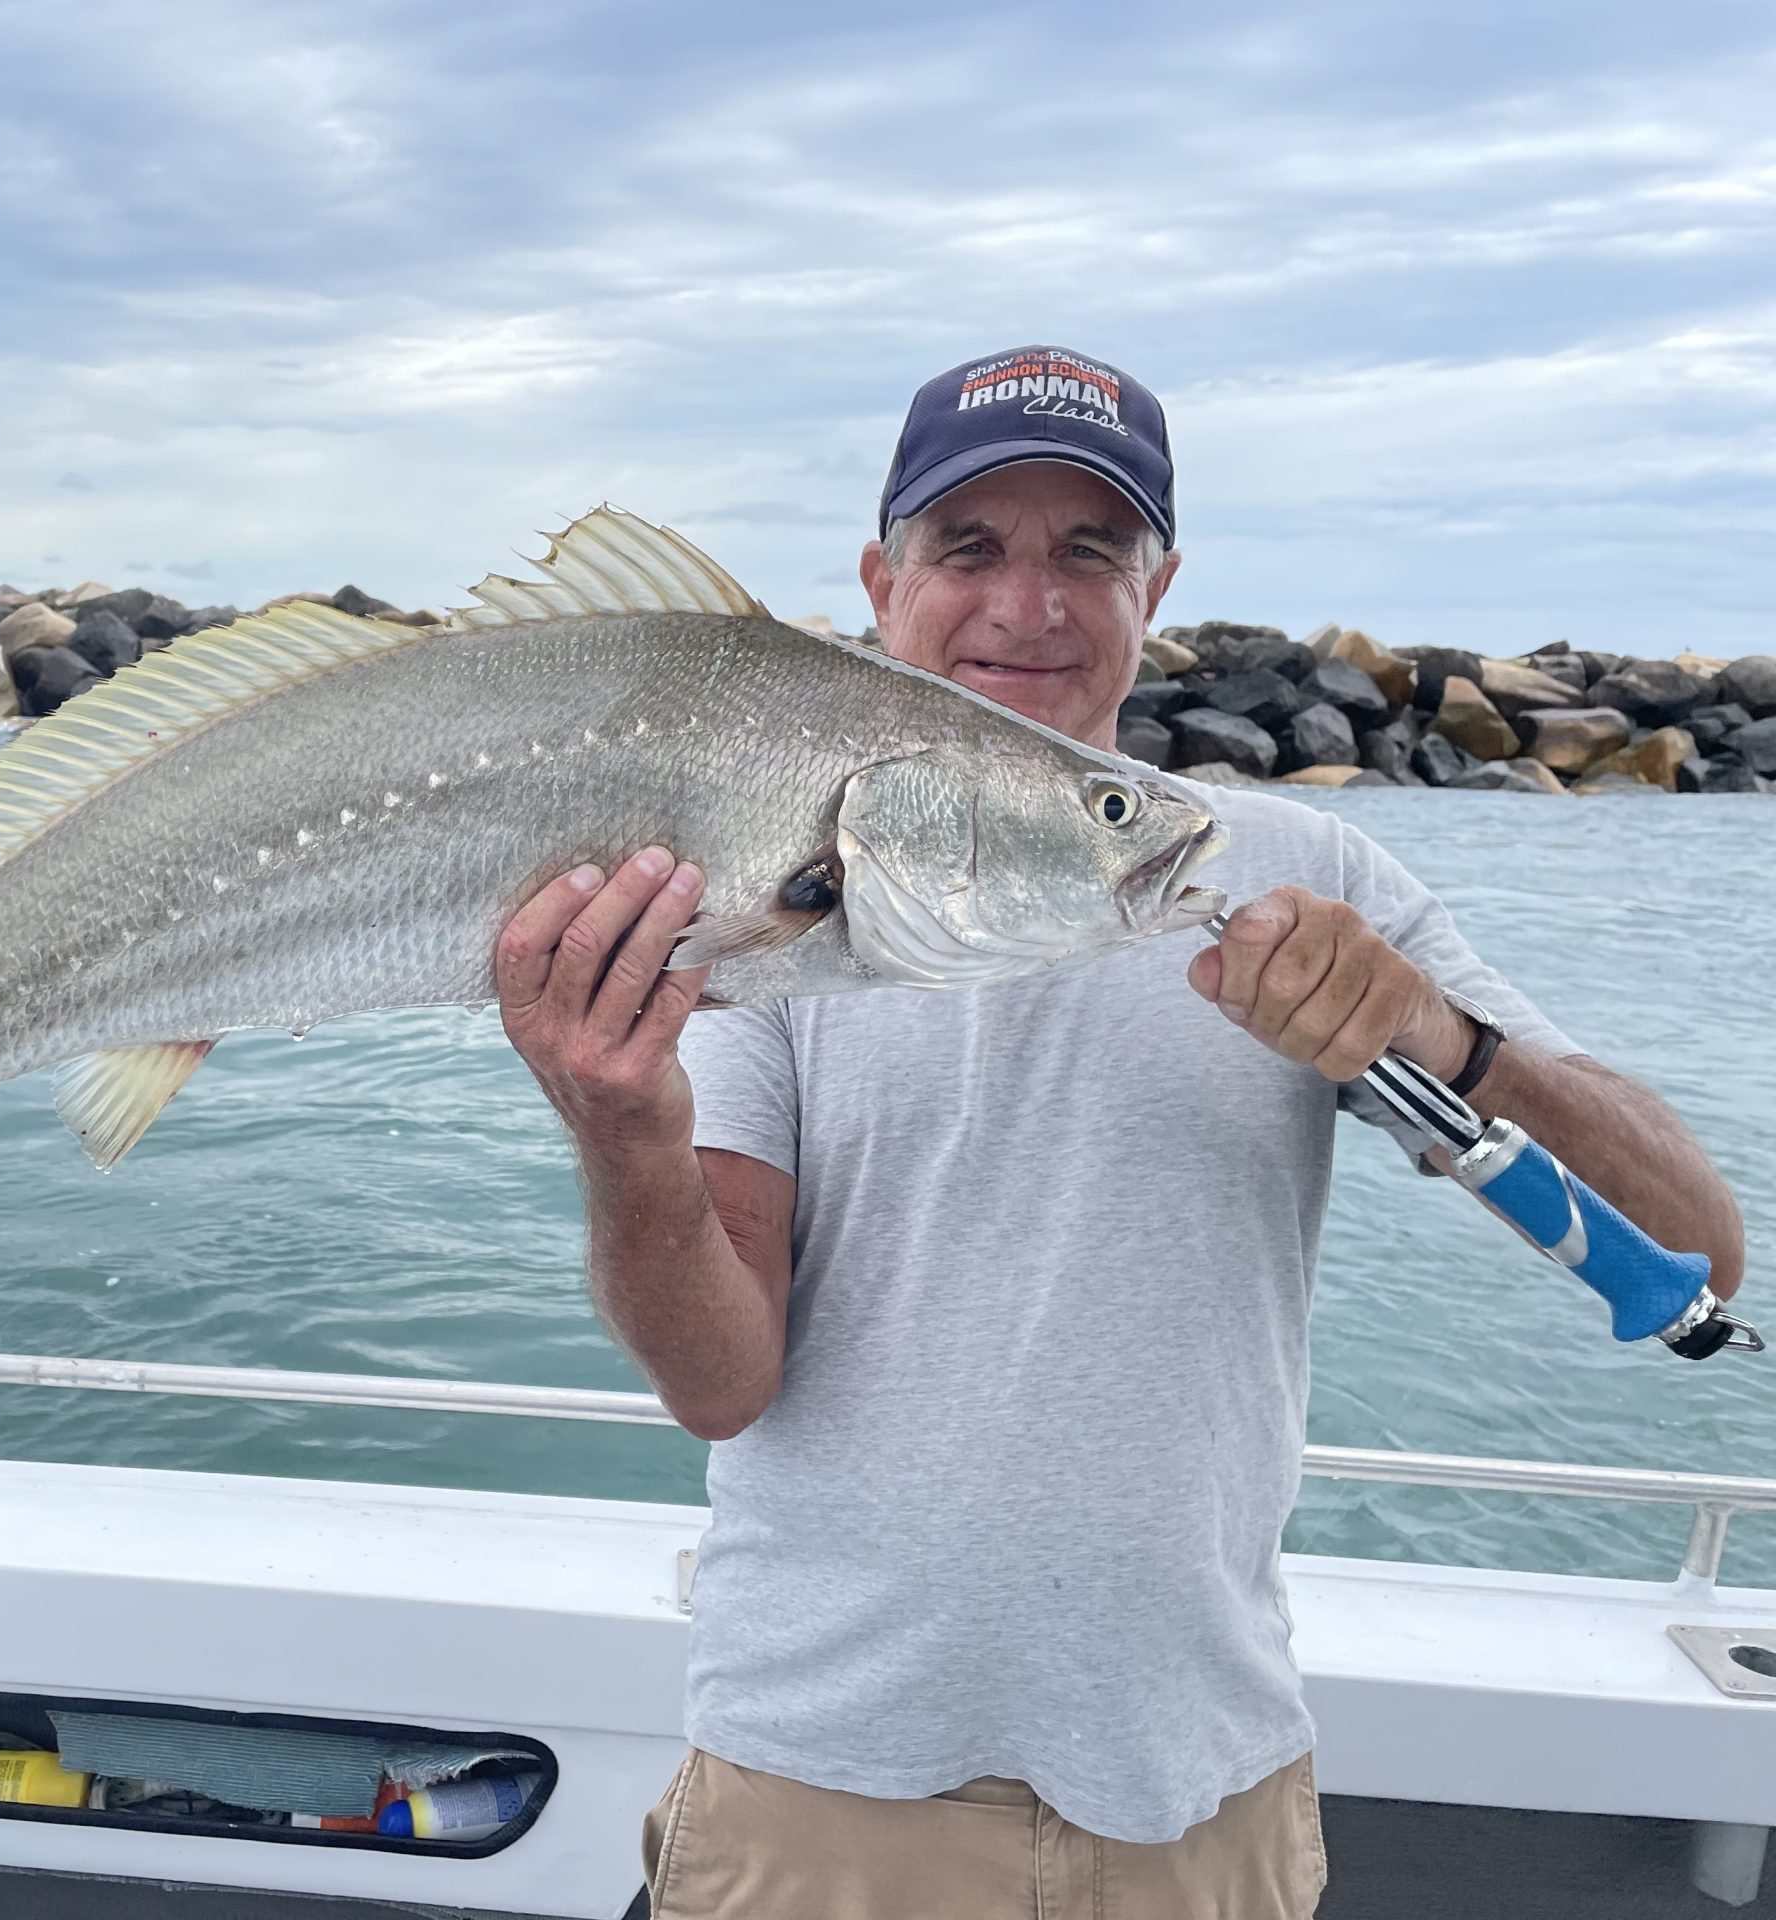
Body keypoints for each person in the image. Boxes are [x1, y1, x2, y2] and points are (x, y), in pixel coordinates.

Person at [493, 345, 1746, 1919]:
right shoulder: (749, 875)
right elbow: (723, 1381)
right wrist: (623, 1131)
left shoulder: (1305, 869)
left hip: (1199, 1793)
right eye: (971, 549)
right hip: (823, 1784)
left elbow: (1699, 1248)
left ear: (1159, 585)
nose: (1031, 606)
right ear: (884, 583)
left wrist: (1440, 1031)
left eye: (1090, 550)